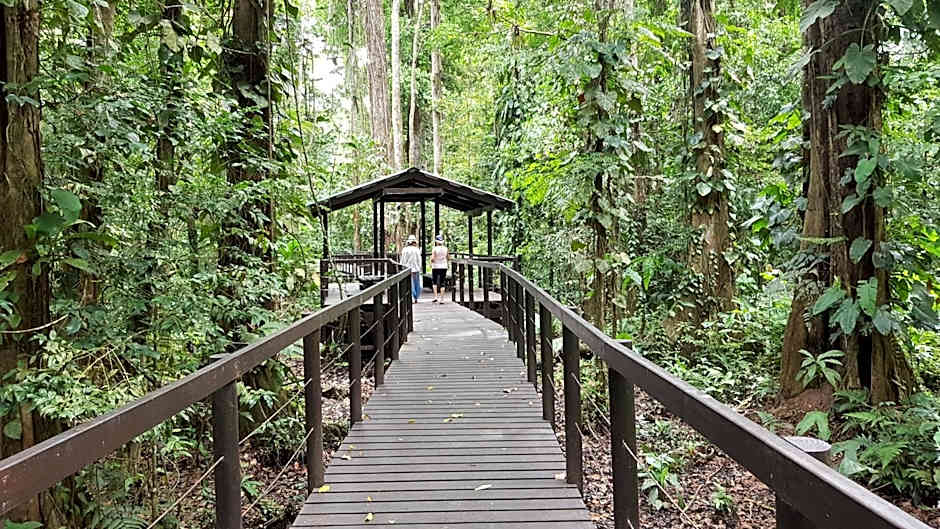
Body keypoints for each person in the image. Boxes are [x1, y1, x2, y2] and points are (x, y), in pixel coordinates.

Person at [400, 234, 422, 302]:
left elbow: (403, 260)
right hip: (416, 268)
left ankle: (412, 297)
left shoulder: (405, 250)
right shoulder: (417, 250)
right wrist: (419, 267)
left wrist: (402, 267)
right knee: (416, 283)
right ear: (414, 242)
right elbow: (419, 260)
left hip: (407, 269)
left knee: (410, 283)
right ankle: (416, 297)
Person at [430, 234, 449, 303]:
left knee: (434, 281)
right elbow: (448, 258)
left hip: (435, 267)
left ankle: (435, 297)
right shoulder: (446, 249)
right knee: (442, 282)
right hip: (444, 266)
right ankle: (442, 299)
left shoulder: (434, 249)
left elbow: (432, 259)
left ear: (436, 241)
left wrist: (431, 261)